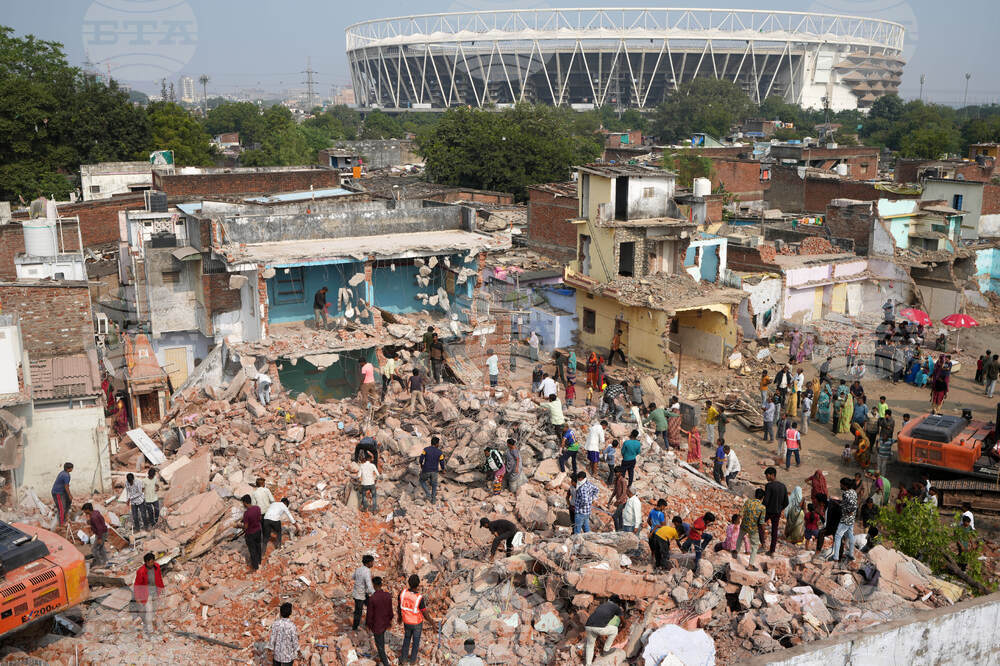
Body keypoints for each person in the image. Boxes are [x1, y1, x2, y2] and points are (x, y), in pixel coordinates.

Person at [398, 574, 435, 665]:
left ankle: (403, 660)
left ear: (409, 583)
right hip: (416, 623)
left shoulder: (402, 593)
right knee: (415, 641)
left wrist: (399, 617)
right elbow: (424, 613)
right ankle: (413, 661)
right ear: (418, 584)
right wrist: (432, 622)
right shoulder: (419, 598)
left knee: (406, 639)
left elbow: (399, 606)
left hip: (406, 621)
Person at [584, 596, 624, 666]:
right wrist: (624, 625)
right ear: (617, 603)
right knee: (615, 630)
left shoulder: (602, 605)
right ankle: (606, 650)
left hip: (588, 626)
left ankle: (588, 664)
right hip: (599, 628)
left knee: (590, 645)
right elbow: (622, 618)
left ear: (609, 600)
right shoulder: (615, 607)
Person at [734, 490, 766, 570]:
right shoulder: (762, 507)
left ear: (755, 495)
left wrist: (737, 522)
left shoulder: (748, 502)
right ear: (763, 497)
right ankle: (750, 565)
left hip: (744, 525)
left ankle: (736, 551)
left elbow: (741, 513)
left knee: (740, 537)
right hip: (753, 528)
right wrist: (763, 533)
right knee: (755, 546)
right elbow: (761, 522)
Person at [366, 577, 394, 666]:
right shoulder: (387, 595)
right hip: (385, 623)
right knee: (381, 641)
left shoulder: (372, 598)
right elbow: (391, 611)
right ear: (381, 585)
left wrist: (368, 625)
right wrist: (389, 621)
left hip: (377, 625)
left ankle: (385, 663)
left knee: (380, 645)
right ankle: (383, 658)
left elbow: (369, 615)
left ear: (374, 586)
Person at [831, 477, 858, 563]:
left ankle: (835, 557)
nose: (840, 486)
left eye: (841, 484)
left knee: (838, 536)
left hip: (845, 519)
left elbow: (844, 507)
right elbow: (850, 504)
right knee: (850, 535)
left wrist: (835, 502)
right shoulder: (853, 492)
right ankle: (851, 554)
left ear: (845, 485)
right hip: (852, 518)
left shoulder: (846, 494)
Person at [762, 467, 788, 556]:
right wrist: (780, 509)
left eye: (767, 475)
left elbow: (766, 501)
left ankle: (762, 544)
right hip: (777, 512)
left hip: (768, 511)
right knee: (774, 531)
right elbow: (786, 502)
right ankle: (772, 550)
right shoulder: (783, 486)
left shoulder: (769, 486)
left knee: (758, 524)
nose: (766, 477)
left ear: (772, 475)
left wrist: (761, 507)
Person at [418, 437, 445, 504]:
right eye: (438, 443)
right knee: (434, 485)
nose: (438, 444)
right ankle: (433, 500)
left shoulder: (425, 449)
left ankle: (428, 494)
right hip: (434, 471)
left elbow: (421, 459)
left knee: (421, 480)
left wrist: (421, 464)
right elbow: (442, 462)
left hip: (426, 469)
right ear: (436, 444)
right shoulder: (440, 452)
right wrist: (443, 469)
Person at [352, 555, 376, 631]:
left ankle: (367, 624)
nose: (373, 564)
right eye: (372, 562)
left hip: (357, 592)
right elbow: (369, 584)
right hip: (360, 594)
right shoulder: (367, 571)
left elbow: (353, 577)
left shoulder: (358, 569)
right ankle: (355, 628)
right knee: (358, 612)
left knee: (369, 606)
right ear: (368, 563)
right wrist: (375, 593)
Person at [241, 494, 263, 571]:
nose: (243, 504)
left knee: (252, 550)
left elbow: (246, 527)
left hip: (250, 534)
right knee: (258, 546)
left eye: (243, 503)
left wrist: (239, 526)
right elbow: (260, 518)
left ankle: (255, 567)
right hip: (258, 530)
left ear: (245, 503)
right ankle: (259, 561)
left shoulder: (246, 514)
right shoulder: (257, 508)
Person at [82, 503, 108, 567]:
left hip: (101, 533)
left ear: (87, 509)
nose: (84, 512)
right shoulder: (95, 512)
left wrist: (99, 538)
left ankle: (99, 563)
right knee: (101, 548)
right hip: (104, 532)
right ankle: (105, 561)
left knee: (94, 549)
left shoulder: (94, 517)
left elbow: (99, 528)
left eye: (85, 511)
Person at [51, 462, 74, 526]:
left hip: (62, 492)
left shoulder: (64, 473)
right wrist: (69, 495)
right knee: (62, 508)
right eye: (71, 468)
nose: (72, 469)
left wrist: (69, 496)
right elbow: (66, 486)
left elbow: (66, 486)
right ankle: (61, 523)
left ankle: (66, 517)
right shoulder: (66, 475)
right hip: (57, 493)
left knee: (68, 501)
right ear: (68, 469)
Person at [877, 409, 895, 475]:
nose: (885, 415)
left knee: (888, 446)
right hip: (883, 435)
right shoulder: (884, 419)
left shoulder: (892, 420)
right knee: (882, 445)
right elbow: (881, 424)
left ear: (889, 415)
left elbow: (888, 426)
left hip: (888, 436)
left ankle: (888, 455)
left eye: (886, 414)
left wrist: (884, 421)